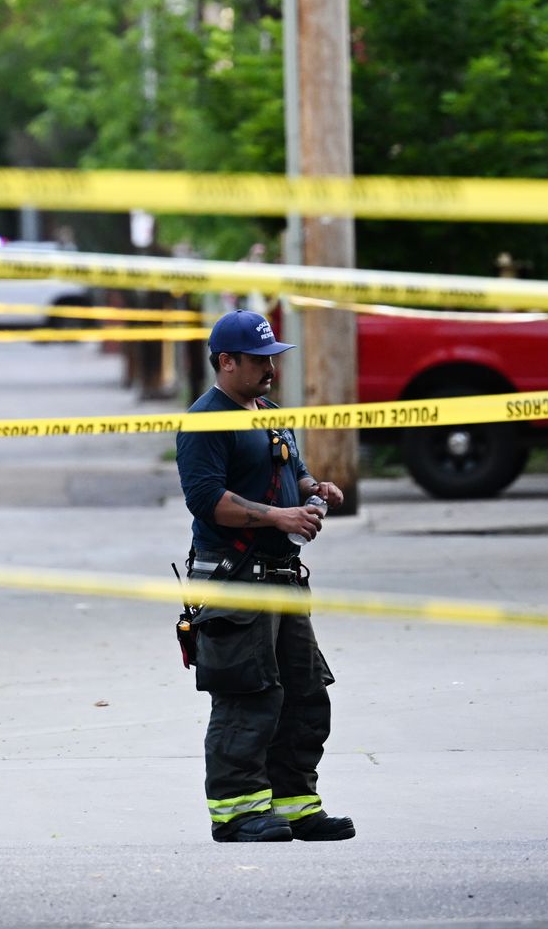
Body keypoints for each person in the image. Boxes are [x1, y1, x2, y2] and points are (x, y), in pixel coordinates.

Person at [174, 309, 354, 843]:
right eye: (259, 360)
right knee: (247, 696)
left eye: (274, 357)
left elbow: (290, 473)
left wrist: (315, 489)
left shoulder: (270, 413)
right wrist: (278, 517)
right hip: (233, 583)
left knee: (304, 694)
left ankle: (295, 805)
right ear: (226, 362)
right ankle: (236, 813)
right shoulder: (206, 421)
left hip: (281, 580)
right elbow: (207, 501)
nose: (271, 368)